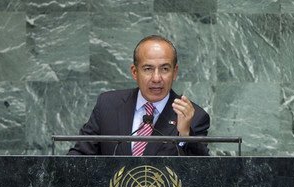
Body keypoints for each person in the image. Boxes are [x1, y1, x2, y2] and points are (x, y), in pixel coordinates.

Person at [68, 35, 210, 156]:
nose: (156, 78)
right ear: (134, 72)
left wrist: (185, 136)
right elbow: (78, 157)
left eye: (165, 69)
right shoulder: (108, 105)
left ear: (175, 72)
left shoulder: (195, 117)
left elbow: (204, 174)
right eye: (148, 69)